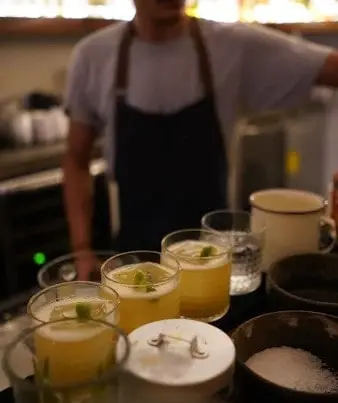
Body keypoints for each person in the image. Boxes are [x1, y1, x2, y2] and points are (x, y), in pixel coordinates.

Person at [63, 0, 338, 280]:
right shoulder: (93, 56)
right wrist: (82, 250)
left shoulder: (233, 45)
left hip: (216, 268)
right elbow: (76, 159)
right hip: (134, 269)